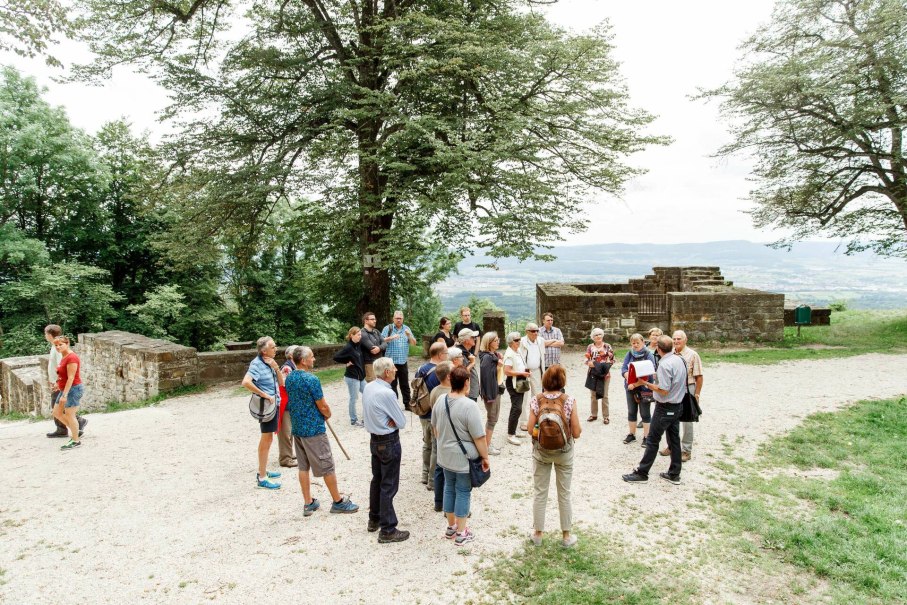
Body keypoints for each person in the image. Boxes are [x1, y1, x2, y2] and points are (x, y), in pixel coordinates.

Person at [284, 347, 359, 515]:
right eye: (311, 357)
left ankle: (308, 502)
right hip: (313, 430)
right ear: (303, 361)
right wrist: (327, 413)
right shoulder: (311, 379)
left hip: (298, 429)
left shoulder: (289, 378)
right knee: (327, 465)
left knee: (303, 467)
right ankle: (338, 502)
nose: (314, 359)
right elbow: (322, 405)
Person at [432, 366, 490, 547]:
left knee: (449, 488)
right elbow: (479, 437)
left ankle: (451, 527)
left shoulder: (441, 400)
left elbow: (435, 429)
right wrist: (485, 456)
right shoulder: (469, 405)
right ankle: (461, 532)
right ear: (466, 383)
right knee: (463, 491)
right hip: (463, 458)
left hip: (444, 455)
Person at [528, 365, 582, 548]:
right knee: (564, 494)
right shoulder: (569, 400)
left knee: (540, 493)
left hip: (541, 452)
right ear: (562, 381)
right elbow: (576, 432)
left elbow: (529, 429)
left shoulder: (537, 400)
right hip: (564, 453)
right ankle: (566, 536)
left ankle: (537, 534)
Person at [622, 335, 686, 485]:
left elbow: (663, 390)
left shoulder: (664, 364)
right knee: (674, 440)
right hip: (677, 406)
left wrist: (644, 382)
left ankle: (642, 473)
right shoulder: (680, 359)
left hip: (665, 407)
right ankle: (674, 474)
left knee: (652, 440)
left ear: (658, 348)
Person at [362, 357, 410, 543]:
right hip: (388, 439)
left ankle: (374, 519)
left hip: (375, 439)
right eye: (394, 368)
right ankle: (388, 529)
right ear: (387, 372)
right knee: (388, 484)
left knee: (377, 480)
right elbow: (402, 421)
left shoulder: (370, 386)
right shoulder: (387, 393)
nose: (397, 370)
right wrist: (391, 420)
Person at [241, 336, 286, 489]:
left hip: (275, 405)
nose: (276, 349)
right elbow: (246, 382)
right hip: (267, 408)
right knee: (266, 440)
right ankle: (262, 478)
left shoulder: (268, 363)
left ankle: (263, 470)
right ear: (264, 350)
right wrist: (264, 395)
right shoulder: (256, 364)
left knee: (268, 440)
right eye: (273, 347)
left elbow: (282, 383)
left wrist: (276, 367)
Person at [660, 330, 703, 462]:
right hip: (673, 389)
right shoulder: (670, 353)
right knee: (671, 418)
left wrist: (696, 394)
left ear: (685, 340)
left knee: (687, 421)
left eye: (679, 338)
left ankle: (686, 450)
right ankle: (672, 446)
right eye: (674, 338)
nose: (676, 341)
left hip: (688, 387)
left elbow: (699, 377)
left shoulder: (693, 355)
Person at [43, 325, 86, 439]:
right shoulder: (55, 347)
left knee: (64, 411)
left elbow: (67, 373)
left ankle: (71, 431)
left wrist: (58, 384)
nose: (45, 336)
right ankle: (73, 427)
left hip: (68, 387)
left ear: (50, 334)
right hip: (61, 384)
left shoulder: (64, 353)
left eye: (46, 333)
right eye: (57, 345)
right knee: (58, 411)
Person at [416, 342, 448, 486]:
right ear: (440, 355)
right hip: (433, 415)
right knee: (435, 447)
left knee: (426, 444)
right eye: (446, 353)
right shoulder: (439, 372)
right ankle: (432, 480)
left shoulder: (420, 369)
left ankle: (424, 474)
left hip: (422, 412)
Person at [620, 334, 656, 446]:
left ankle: (646, 436)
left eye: (637, 343)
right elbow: (624, 368)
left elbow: (650, 373)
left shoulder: (648, 354)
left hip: (644, 388)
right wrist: (627, 377)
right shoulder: (629, 353)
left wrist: (635, 384)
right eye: (633, 343)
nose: (635, 345)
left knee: (645, 413)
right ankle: (632, 434)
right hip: (630, 387)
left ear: (642, 342)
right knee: (631, 411)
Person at [428, 361, 454, 510]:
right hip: (446, 434)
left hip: (437, 432)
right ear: (449, 376)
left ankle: (438, 502)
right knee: (449, 469)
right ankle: (447, 503)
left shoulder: (434, 390)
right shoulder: (448, 393)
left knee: (439, 467)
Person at [51, 336, 85, 451]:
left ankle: (75, 441)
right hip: (64, 388)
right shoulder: (64, 355)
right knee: (57, 412)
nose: (58, 347)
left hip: (73, 389)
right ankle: (76, 431)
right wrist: (57, 383)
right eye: (56, 345)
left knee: (70, 414)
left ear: (67, 343)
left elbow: (71, 378)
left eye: (61, 344)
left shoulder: (72, 357)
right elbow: (62, 374)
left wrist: (64, 395)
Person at [381, 310, 418, 411]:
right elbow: (380, 340)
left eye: (400, 318)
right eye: (396, 318)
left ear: (403, 319)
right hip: (390, 363)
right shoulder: (388, 328)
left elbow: (414, 343)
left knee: (405, 384)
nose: (398, 320)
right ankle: (394, 404)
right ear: (393, 318)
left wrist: (409, 335)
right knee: (392, 384)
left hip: (402, 361)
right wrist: (391, 337)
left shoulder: (407, 329)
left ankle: (407, 404)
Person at [333, 327, 366, 426]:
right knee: (354, 398)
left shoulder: (358, 345)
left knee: (368, 393)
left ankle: (366, 417)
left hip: (360, 377)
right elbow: (336, 357)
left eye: (360, 334)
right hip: (352, 377)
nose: (360, 336)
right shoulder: (348, 347)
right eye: (358, 335)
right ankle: (354, 420)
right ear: (351, 335)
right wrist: (346, 362)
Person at [503, 331, 531, 445]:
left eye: (519, 339)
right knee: (517, 408)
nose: (519, 342)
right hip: (513, 382)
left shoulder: (517, 351)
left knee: (518, 407)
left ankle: (513, 430)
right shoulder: (510, 354)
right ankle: (511, 434)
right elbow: (507, 371)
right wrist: (522, 373)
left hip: (520, 380)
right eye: (516, 340)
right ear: (510, 342)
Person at [478, 332, 503, 456]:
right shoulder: (488, 358)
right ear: (489, 343)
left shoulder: (493, 355)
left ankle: (488, 443)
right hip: (491, 393)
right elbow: (486, 378)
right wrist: (490, 396)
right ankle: (487, 446)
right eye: (495, 340)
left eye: (498, 340)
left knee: (493, 418)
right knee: (492, 419)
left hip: (495, 391)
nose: (498, 342)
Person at [518, 322, 546, 431]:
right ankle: (523, 421)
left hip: (537, 371)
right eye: (533, 331)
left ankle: (537, 419)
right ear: (527, 332)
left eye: (537, 330)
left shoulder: (541, 341)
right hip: (525, 371)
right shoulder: (522, 342)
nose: (535, 333)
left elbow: (542, 357)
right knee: (524, 396)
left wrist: (543, 372)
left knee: (537, 396)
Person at [584, 328, 614, 424]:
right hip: (593, 374)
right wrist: (590, 363)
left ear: (602, 335)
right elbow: (587, 360)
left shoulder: (607, 346)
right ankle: (594, 414)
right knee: (593, 395)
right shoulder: (590, 347)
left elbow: (612, 359)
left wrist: (599, 363)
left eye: (600, 334)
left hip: (605, 374)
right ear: (593, 337)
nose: (598, 336)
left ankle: (606, 416)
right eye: (596, 335)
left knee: (604, 395)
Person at [276, 345, 297, 468]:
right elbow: (287, 387)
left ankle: (288, 454)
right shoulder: (287, 368)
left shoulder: (293, 366)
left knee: (290, 430)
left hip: (289, 403)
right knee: (285, 431)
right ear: (290, 355)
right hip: (285, 403)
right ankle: (285, 458)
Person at [360, 311, 387, 383]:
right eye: (372, 319)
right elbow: (372, 348)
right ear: (366, 320)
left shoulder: (376, 331)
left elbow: (385, 343)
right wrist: (381, 347)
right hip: (369, 364)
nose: (375, 321)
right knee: (372, 386)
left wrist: (379, 348)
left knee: (381, 385)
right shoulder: (362, 333)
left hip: (380, 363)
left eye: (375, 319)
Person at [454, 330, 480, 401]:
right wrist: (472, 363)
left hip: (470, 391)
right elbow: (461, 374)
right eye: (472, 337)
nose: (474, 339)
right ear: (466, 340)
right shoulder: (459, 354)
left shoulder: (466, 352)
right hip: (466, 392)